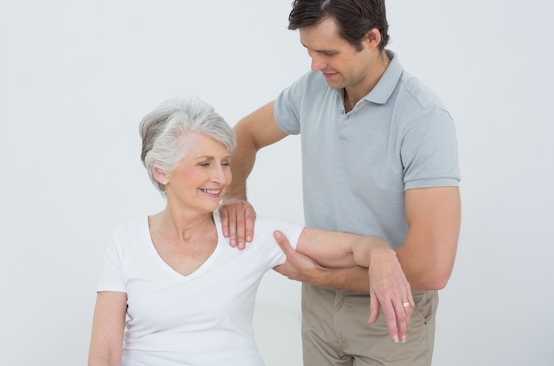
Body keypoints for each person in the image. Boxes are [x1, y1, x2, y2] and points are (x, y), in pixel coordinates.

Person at [219, 0, 461, 366]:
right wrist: (233, 197)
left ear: (371, 38)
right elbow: (245, 134)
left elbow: (432, 267)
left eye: (328, 52)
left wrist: (324, 276)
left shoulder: (423, 118)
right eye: (309, 51)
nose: (315, 65)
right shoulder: (314, 87)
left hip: (388, 310)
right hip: (318, 307)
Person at [88, 97, 414, 366]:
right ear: (161, 171)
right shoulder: (126, 242)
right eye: (205, 164)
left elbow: (353, 247)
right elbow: (103, 355)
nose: (221, 177)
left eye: (225, 162)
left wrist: (380, 254)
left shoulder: (248, 234)